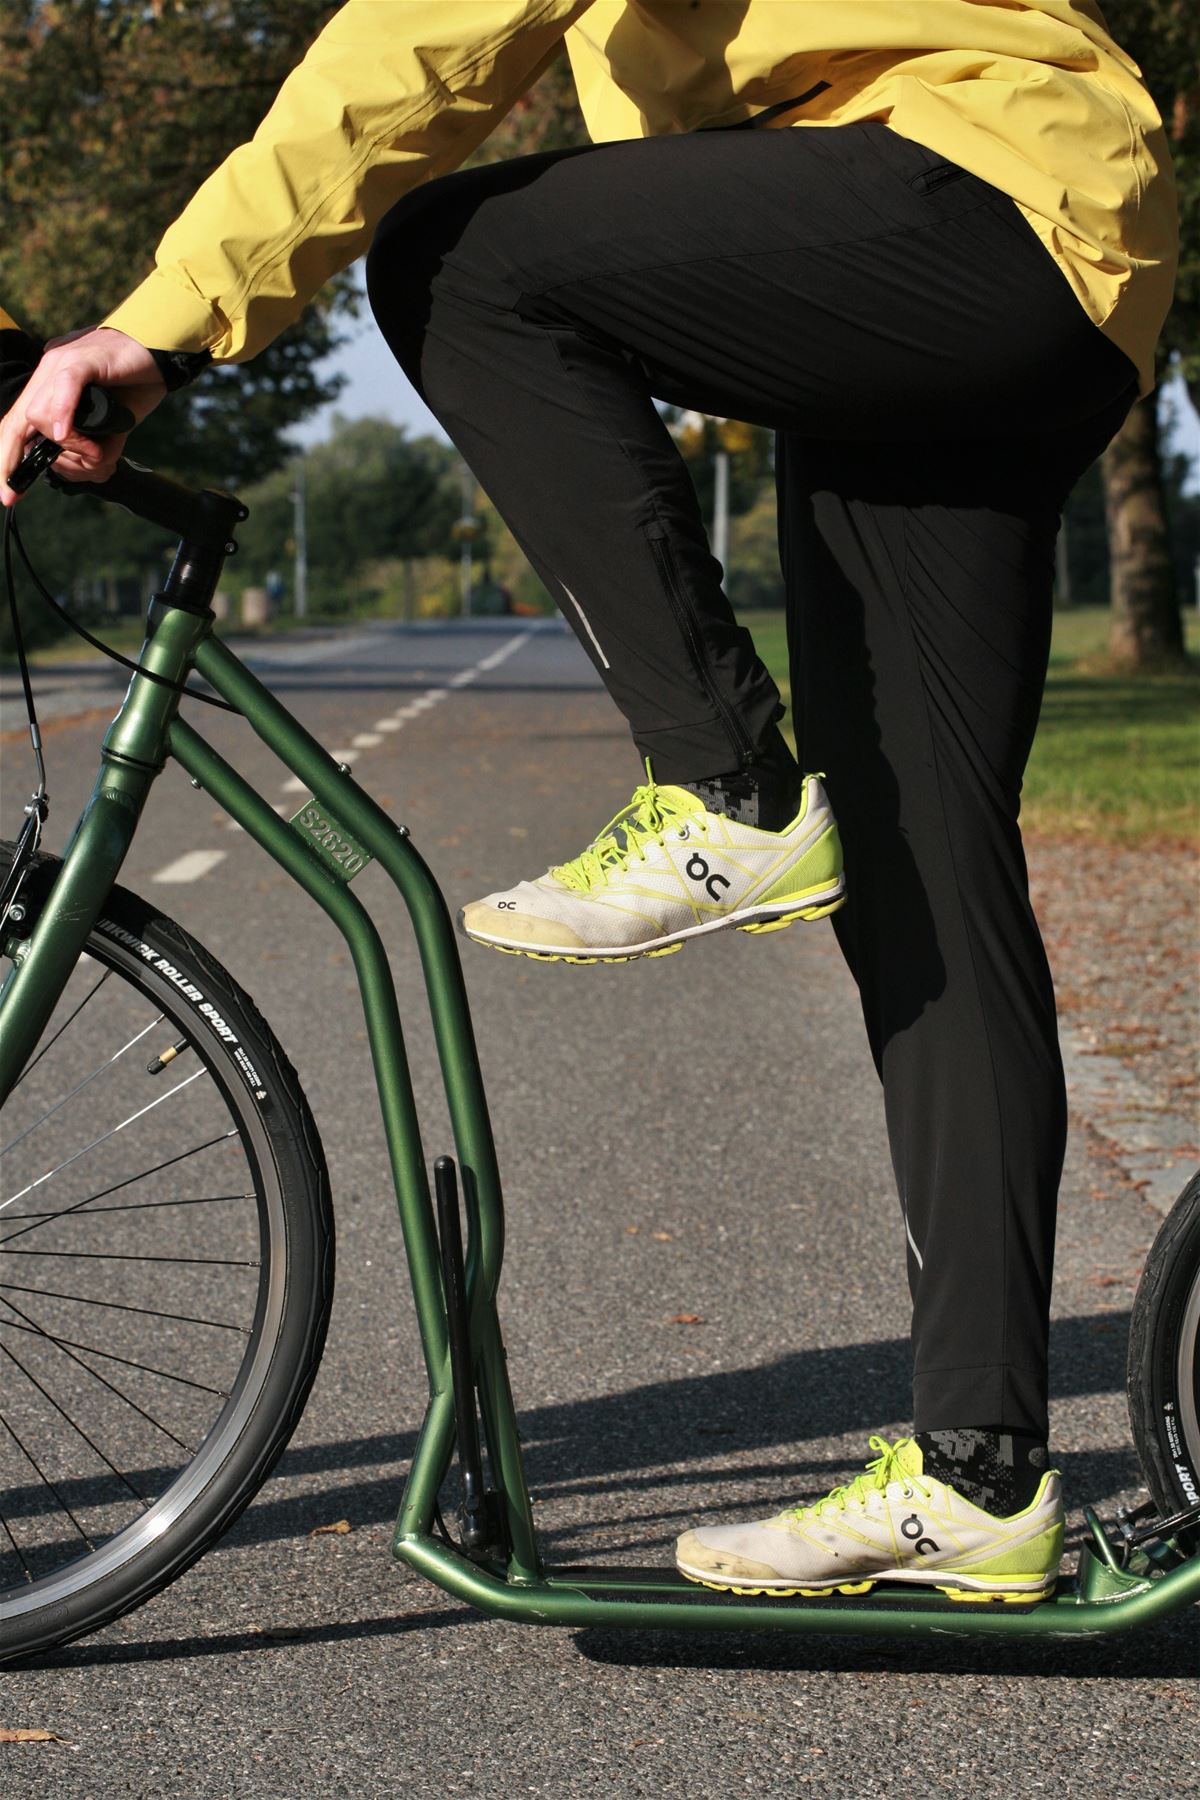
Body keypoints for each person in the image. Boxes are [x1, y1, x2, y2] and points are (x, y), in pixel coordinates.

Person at [0, 3, 1177, 1603]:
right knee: (919, 869)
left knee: (459, 263)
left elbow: (421, 46)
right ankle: (981, 1475)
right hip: (1015, 260)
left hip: (962, 188)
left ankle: (725, 782)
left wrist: (164, 322)